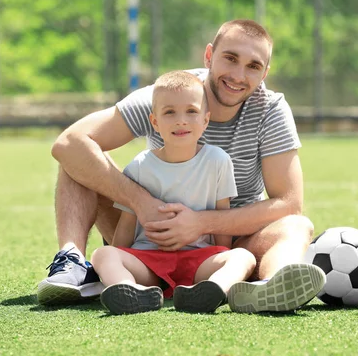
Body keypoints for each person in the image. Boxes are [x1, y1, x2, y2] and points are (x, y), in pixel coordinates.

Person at [37, 19, 326, 313]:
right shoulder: (171, 94)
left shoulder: (271, 109)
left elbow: (289, 203)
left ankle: (276, 284)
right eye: (230, 58)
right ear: (209, 55)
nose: (239, 75)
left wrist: (200, 223)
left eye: (253, 66)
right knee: (79, 160)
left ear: (264, 73)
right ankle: (72, 265)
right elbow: (68, 143)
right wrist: (142, 204)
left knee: (297, 224)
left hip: (226, 248)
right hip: (150, 237)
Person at [90, 70, 255, 314]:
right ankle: (128, 290)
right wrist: (118, 256)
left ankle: (213, 290)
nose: (181, 120)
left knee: (243, 257)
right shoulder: (139, 166)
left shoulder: (218, 161)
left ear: (205, 120)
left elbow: (222, 219)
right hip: (149, 261)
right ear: (155, 122)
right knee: (102, 254)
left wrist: (221, 257)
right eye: (169, 112)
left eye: (191, 111)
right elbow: (127, 223)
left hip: (199, 261)